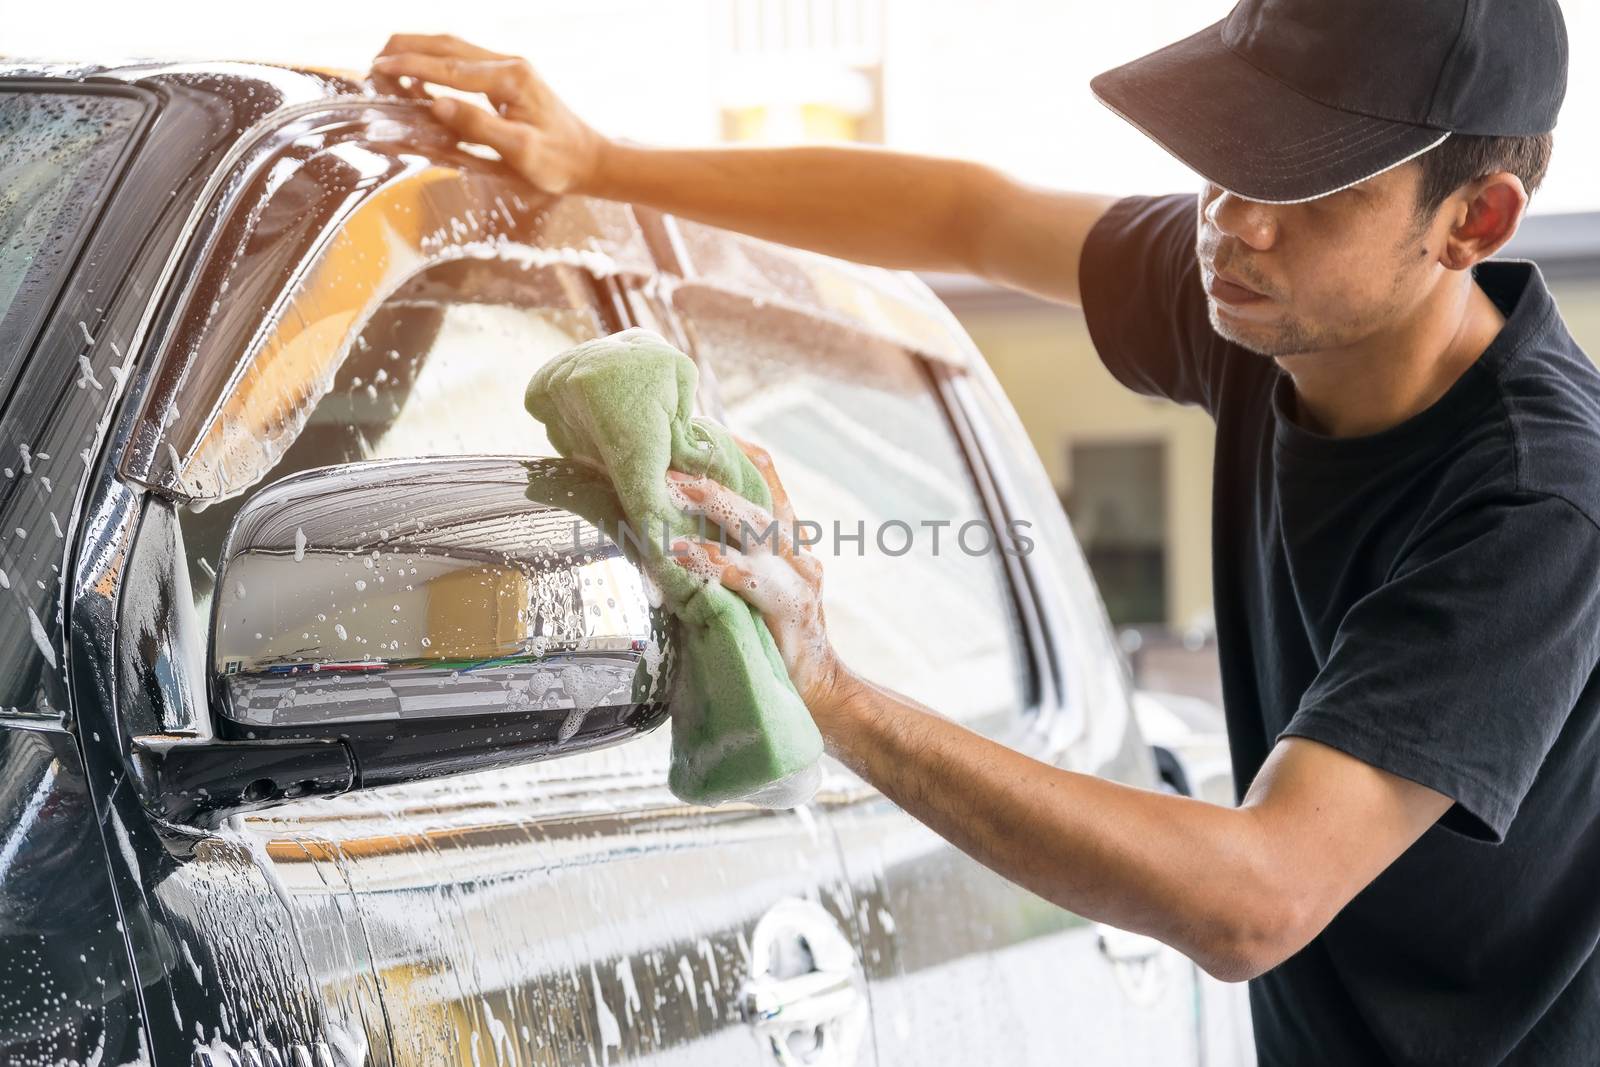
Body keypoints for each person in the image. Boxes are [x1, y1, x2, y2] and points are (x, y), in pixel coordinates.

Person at [372, 1, 1599, 1062]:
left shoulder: (1536, 507)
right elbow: (965, 212)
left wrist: (828, 690)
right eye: (1225, 156)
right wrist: (598, 158)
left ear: (1473, 222)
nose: (1231, 218)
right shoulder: (1271, 293)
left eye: (1300, 182)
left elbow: (1255, 897)